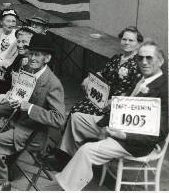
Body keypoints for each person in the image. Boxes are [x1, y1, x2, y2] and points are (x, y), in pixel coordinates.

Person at [54, 40, 168, 191]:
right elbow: (122, 106)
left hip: (133, 142)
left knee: (87, 151)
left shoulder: (164, 90)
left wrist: (123, 136)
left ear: (160, 61)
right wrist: (104, 125)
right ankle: (69, 160)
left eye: (149, 58)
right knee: (77, 118)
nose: (144, 62)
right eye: (140, 58)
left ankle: (68, 186)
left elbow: (158, 134)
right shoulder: (141, 78)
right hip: (116, 127)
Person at [0, 33, 66, 190]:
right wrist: (9, 97)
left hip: (31, 132)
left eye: (37, 55)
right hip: (14, 121)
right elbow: (19, 92)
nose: (32, 58)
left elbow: (59, 119)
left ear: (47, 58)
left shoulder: (53, 83)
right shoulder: (27, 69)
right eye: (30, 53)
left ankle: (1, 183)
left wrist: (30, 108)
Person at [68, 26, 143, 117]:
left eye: (131, 40)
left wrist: (114, 102)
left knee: (79, 114)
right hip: (101, 98)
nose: (126, 43)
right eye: (124, 39)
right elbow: (102, 74)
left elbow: (133, 91)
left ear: (138, 44)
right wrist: (89, 79)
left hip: (116, 105)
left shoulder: (138, 64)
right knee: (76, 109)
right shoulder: (116, 58)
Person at [0, 26, 37, 123]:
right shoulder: (20, 57)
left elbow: (24, 93)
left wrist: (6, 97)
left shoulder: (32, 63)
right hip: (11, 93)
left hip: (21, 102)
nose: (20, 45)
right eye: (18, 41)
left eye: (24, 42)